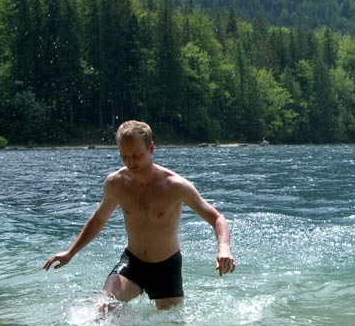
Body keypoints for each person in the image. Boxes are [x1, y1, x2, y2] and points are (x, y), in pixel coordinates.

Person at [43, 120, 235, 312]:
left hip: (166, 267)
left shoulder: (176, 186)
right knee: (103, 307)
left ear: (151, 148)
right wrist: (71, 252)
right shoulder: (115, 183)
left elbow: (217, 218)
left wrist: (224, 248)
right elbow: (99, 219)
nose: (130, 163)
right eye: (124, 156)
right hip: (132, 263)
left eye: (136, 155)